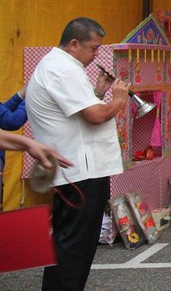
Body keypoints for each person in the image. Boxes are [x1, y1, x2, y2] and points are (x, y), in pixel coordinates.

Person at [26, 17, 131, 291]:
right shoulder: (62, 69)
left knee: (72, 243)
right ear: (74, 44)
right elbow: (95, 116)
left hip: (77, 168)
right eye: (93, 49)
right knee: (74, 247)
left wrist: (98, 91)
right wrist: (118, 100)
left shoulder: (60, 66)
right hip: (80, 171)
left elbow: (73, 113)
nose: (96, 55)